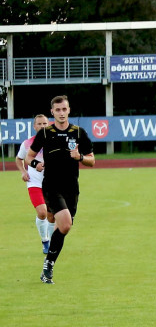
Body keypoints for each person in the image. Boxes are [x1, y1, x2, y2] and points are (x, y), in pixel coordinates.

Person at [27, 95, 95, 284]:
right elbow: (28, 157)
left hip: (72, 188)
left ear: (69, 110)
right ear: (52, 112)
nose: (61, 113)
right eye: (58, 110)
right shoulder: (45, 133)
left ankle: (48, 264)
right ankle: (48, 265)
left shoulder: (79, 133)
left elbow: (92, 160)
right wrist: (36, 164)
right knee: (64, 224)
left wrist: (80, 157)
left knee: (62, 228)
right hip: (51, 186)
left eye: (64, 109)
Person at [15, 114, 55, 253]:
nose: (42, 126)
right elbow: (19, 159)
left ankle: (50, 241)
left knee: (52, 216)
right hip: (34, 183)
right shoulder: (27, 144)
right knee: (42, 212)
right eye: (39, 124)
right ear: (34, 126)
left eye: (45, 123)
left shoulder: (55, 142)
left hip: (52, 183)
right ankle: (45, 241)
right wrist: (23, 172)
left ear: (49, 124)